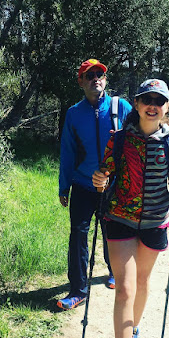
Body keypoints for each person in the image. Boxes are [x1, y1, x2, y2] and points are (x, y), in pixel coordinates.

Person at [92, 79, 169, 338]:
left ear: (166, 107)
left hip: (154, 221)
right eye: (146, 99)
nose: (152, 105)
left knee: (142, 281)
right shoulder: (119, 139)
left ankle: (133, 330)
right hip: (120, 217)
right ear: (136, 104)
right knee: (124, 288)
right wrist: (100, 181)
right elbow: (104, 173)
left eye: (158, 101)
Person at [58, 59, 132, 310]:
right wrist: (63, 186)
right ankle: (78, 290)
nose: (95, 79)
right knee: (78, 235)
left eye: (99, 74)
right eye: (89, 75)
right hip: (82, 185)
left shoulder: (120, 106)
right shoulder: (73, 113)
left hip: (114, 186)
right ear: (81, 81)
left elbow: (138, 137)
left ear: (105, 79)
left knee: (113, 233)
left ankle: (114, 271)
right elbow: (67, 152)